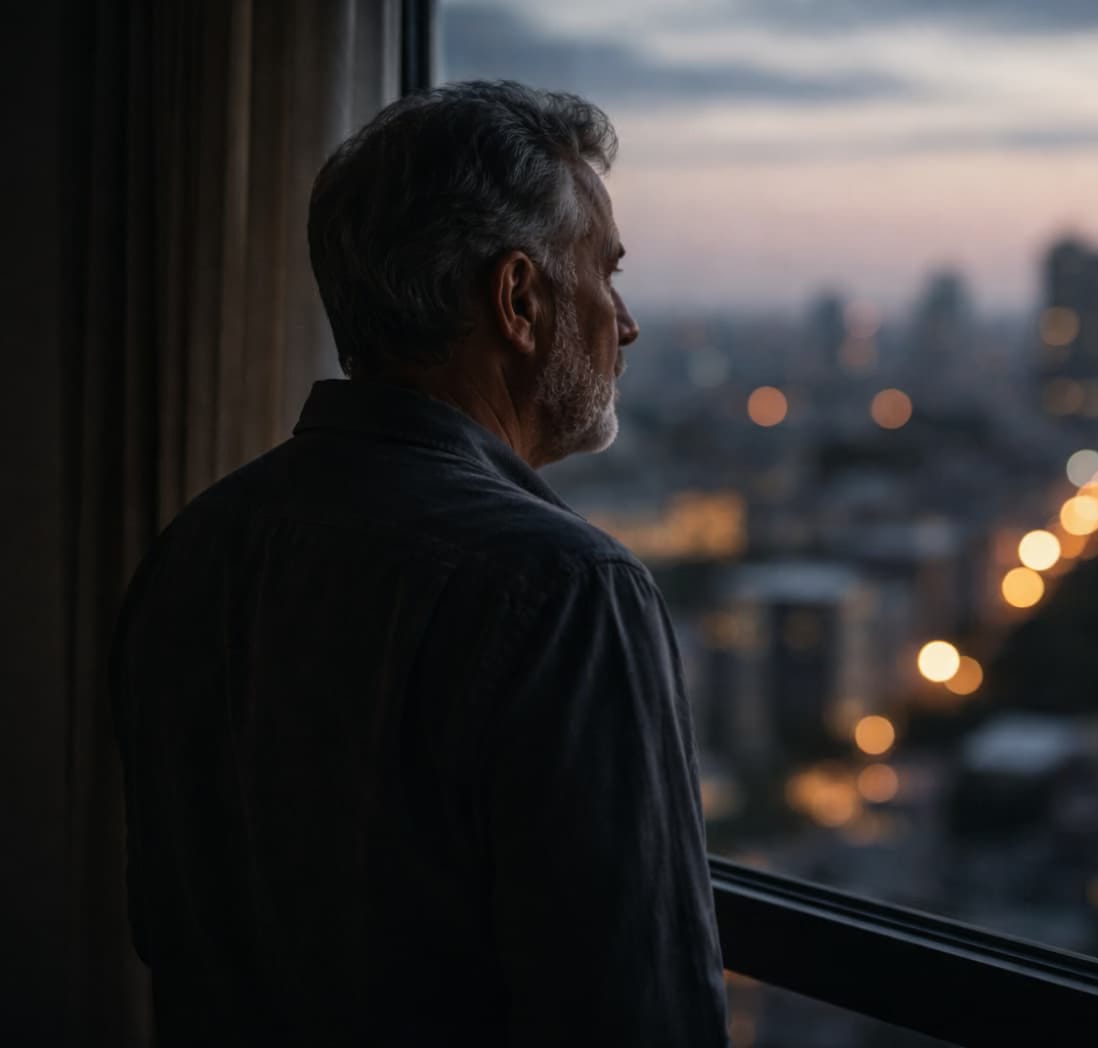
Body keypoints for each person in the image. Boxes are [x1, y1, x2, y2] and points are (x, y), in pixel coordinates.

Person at [110, 80, 730, 1046]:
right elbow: (635, 1007)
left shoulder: (198, 545)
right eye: (604, 275)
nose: (626, 320)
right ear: (518, 299)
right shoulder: (567, 588)